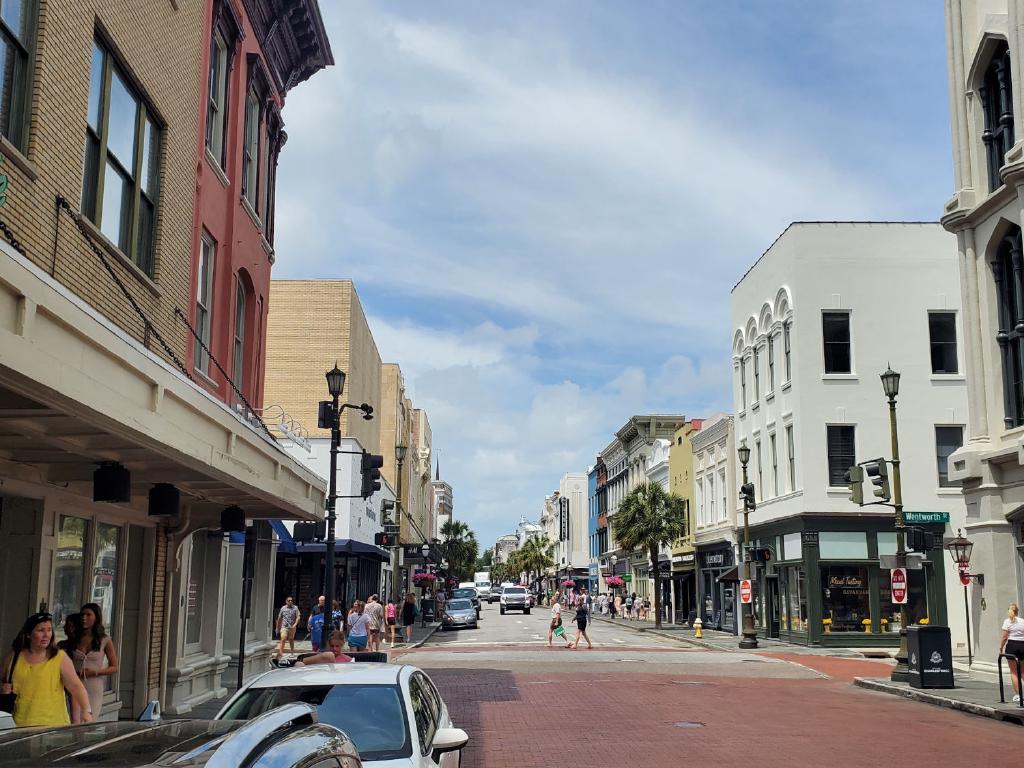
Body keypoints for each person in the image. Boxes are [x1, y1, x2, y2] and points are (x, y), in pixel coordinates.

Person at [1, 611, 92, 727]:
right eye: (41, 630)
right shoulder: (14, 657)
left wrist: (86, 711)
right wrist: (2, 688)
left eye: (49, 630)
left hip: (52, 727)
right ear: (28, 634)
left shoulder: (59, 657)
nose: (46, 635)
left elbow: (76, 686)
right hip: (20, 726)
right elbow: (2, 680)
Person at [73, 603, 118, 723]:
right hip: (74, 684)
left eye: (88, 615)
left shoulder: (105, 640)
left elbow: (114, 667)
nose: (84, 617)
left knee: (89, 721)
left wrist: (96, 672)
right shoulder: (74, 638)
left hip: (93, 687)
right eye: (82, 614)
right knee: (73, 721)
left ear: (96, 617)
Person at [1002, 602, 1024, 702]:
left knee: (1014, 672)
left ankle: (1018, 695)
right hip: (1022, 645)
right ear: (1017, 611)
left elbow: (1004, 637)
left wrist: (1000, 648)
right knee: (1023, 671)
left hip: (1012, 646)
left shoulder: (1007, 621)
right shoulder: (1022, 621)